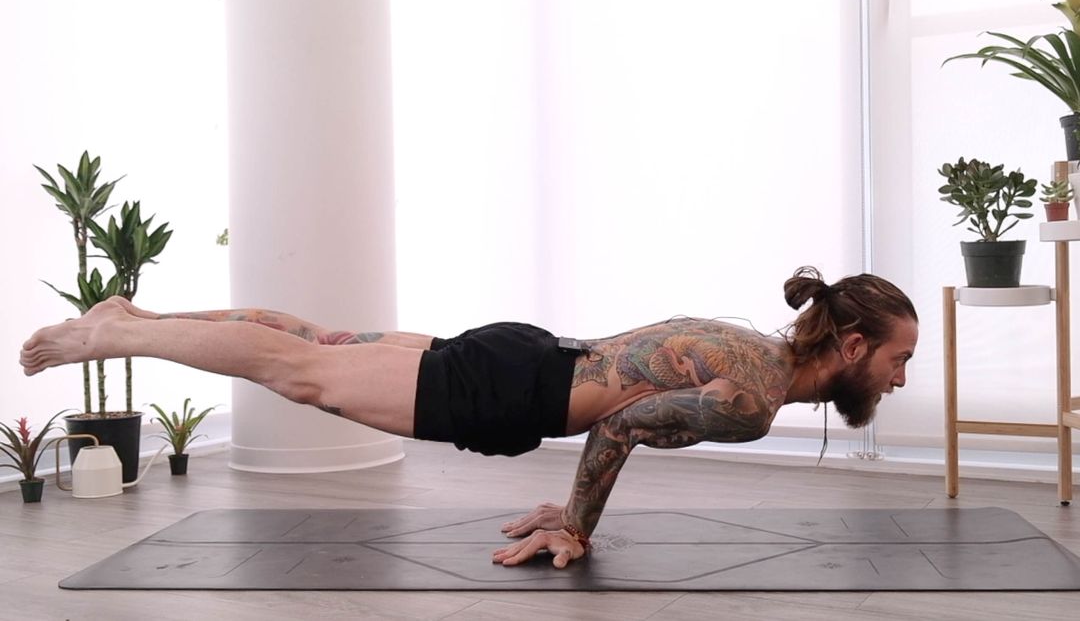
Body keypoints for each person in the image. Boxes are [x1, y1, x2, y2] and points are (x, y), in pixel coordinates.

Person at [19, 265, 918, 569]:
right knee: (305, 374)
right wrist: (575, 522)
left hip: (526, 353)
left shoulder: (755, 352)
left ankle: (137, 317)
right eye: (896, 359)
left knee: (319, 342)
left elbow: (620, 407)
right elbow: (619, 427)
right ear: (850, 345)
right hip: (509, 391)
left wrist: (575, 505)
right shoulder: (752, 401)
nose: (900, 379)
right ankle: (111, 338)